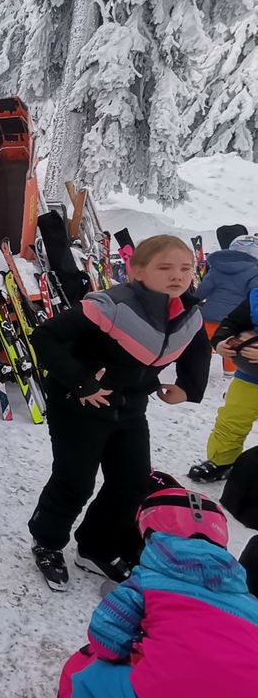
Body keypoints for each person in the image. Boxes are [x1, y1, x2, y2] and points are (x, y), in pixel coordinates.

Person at [28, 235, 211, 591]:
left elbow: (198, 349)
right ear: (137, 270)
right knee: (75, 481)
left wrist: (188, 387)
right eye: (165, 268)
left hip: (130, 406)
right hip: (78, 404)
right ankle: (47, 542)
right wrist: (82, 381)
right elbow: (45, 337)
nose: (178, 276)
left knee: (132, 482)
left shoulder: (188, 313)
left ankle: (95, 546)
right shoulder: (110, 306)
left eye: (186, 268)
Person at [57, 487, 258, 698]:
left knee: (83, 672)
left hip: (165, 687)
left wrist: (135, 652)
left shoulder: (146, 582)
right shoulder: (250, 602)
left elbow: (106, 636)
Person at [188, 287, 258, 483]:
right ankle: (222, 461)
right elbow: (232, 323)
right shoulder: (255, 295)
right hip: (250, 376)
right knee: (232, 419)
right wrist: (222, 341)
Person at [195, 233, 258, 374]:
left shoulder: (217, 269)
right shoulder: (255, 272)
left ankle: (198, 366)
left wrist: (193, 301)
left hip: (208, 319)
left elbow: (202, 291)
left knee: (204, 346)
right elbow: (254, 297)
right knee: (230, 347)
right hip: (233, 322)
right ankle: (229, 372)